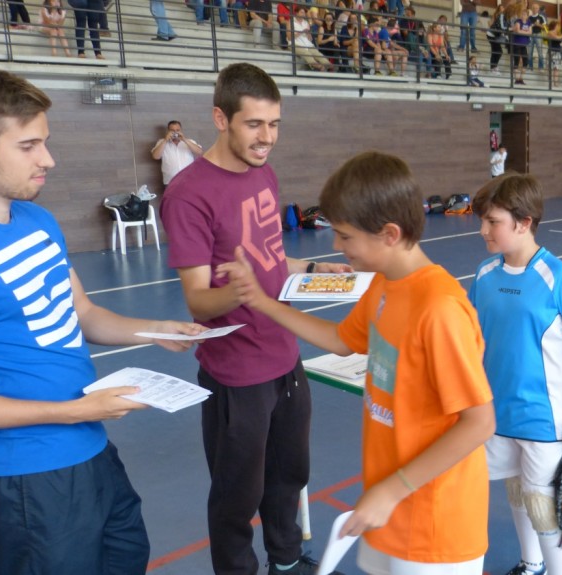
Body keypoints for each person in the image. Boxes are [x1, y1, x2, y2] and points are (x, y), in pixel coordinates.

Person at [216, 151, 496, 575]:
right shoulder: (386, 284)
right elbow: (340, 340)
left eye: (345, 236)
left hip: (434, 523)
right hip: (387, 510)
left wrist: (393, 489)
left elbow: (479, 422)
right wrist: (260, 301)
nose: (335, 246)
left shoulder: (439, 309)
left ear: (388, 234)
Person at [0, 68, 206, 575]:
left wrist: (155, 329)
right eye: (29, 146)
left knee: (126, 555)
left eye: (46, 143)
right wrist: (70, 413)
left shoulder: (38, 220)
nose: (48, 160)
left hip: (89, 446)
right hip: (32, 467)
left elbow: (83, 313)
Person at [159, 63, 351, 575]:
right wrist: (239, 293)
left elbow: (271, 258)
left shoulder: (262, 171)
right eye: (254, 125)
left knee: (289, 476)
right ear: (221, 118)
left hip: (285, 354)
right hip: (237, 375)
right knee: (236, 496)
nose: (267, 138)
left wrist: (312, 268)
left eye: (275, 125)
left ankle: (287, 561)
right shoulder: (188, 195)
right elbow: (199, 301)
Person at [468, 174, 562, 575]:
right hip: (495, 415)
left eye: (492, 221)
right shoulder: (484, 274)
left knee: (544, 506)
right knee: (516, 493)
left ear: (524, 221)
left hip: (545, 422)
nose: (483, 231)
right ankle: (531, 564)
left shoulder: (559, 279)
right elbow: (468, 336)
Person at [150, 120, 203, 186]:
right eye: (172, 130)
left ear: (181, 131)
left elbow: (199, 152)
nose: (175, 132)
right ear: (168, 131)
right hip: (170, 182)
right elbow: (155, 156)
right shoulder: (161, 142)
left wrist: (184, 139)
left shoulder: (189, 141)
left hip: (189, 180)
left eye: (177, 130)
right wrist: (165, 140)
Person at [289, 6, 331, 71]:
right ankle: (318, 67)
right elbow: (289, 37)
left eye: (304, 13)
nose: (303, 14)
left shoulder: (306, 23)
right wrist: (302, 32)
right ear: (296, 13)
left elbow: (310, 39)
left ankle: (328, 66)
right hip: (295, 44)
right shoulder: (290, 22)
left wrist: (308, 33)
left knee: (318, 54)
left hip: (307, 44)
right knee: (307, 54)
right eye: (301, 12)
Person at [511, 8, 531, 85]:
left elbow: (530, 32)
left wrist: (524, 32)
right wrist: (525, 32)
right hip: (516, 43)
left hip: (524, 44)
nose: (523, 16)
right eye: (522, 14)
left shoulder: (529, 22)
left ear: (527, 16)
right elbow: (518, 31)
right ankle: (516, 79)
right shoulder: (518, 21)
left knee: (525, 62)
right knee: (516, 60)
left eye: (525, 14)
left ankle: (521, 79)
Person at [527, 4, 546, 70]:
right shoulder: (529, 17)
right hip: (530, 35)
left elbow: (544, 28)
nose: (535, 9)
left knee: (540, 52)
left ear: (538, 9)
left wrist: (538, 25)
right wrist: (532, 25)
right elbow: (527, 27)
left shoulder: (541, 17)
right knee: (529, 53)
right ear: (532, 9)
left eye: (536, 8)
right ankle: (530, 67)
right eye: (534, 8)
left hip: (538, 35)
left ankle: (541, 67)